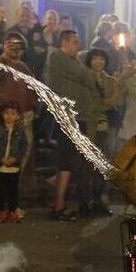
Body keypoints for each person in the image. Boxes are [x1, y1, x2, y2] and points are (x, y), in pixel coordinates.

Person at [45, 29, 100, 220]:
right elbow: (85, 77)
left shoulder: (74, 61)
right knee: (67, 161)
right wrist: (88, 75)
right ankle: (58, 205)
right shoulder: (58, 57)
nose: (79, 46)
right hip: (69, 116)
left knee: (72, 161)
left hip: (80, 116)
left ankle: (57, 193)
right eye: (75, 42)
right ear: (65, 42)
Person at [0, 102, 29, 223]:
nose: (9, 116)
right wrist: (0, 158)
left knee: (12, 190)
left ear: (17, 116)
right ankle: (0, 211)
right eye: (6, 113)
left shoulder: (20, 132)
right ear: (2, 114)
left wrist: (16, 158)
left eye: (13, 113)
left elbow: (24, 146)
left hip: (13, 167)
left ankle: (12, 211)